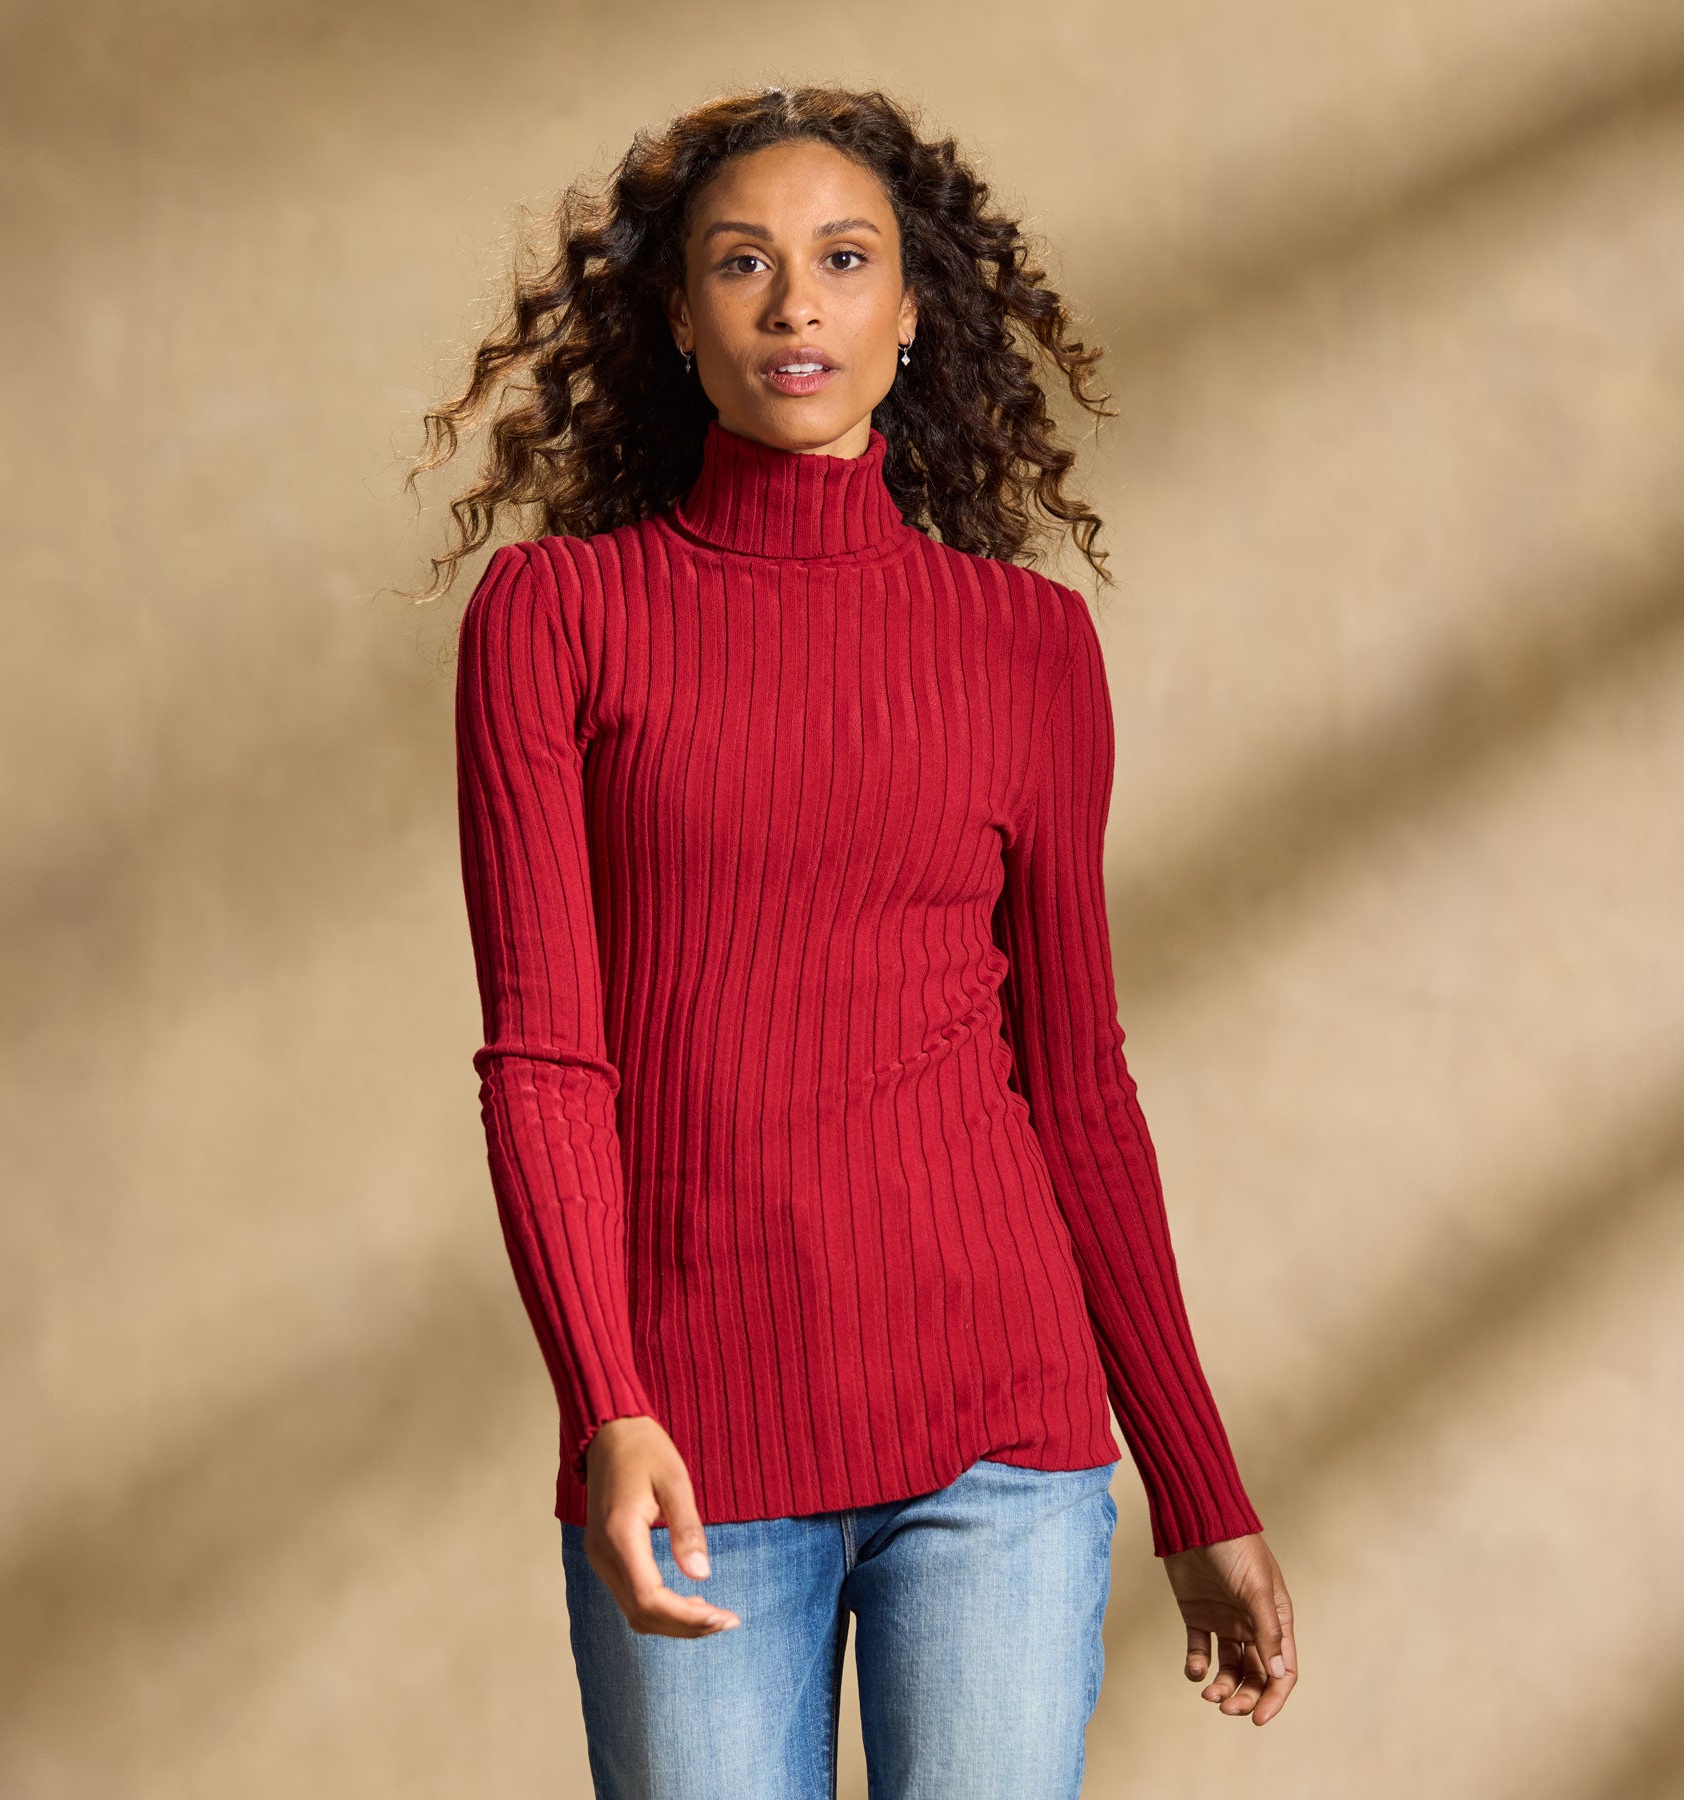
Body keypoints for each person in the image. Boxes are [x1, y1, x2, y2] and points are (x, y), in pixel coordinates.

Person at [411, 82, 1298, 1799]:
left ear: (910, 313)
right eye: (741, 263)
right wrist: (606, 1407)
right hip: (688, 1440)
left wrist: (1199, 1486)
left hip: (1000, 1442)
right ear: (679, 318)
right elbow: (543, 1063)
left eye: (843, 259)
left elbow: (1080, 1092)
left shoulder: (1028, 646)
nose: (794, 303)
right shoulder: (557, 619)